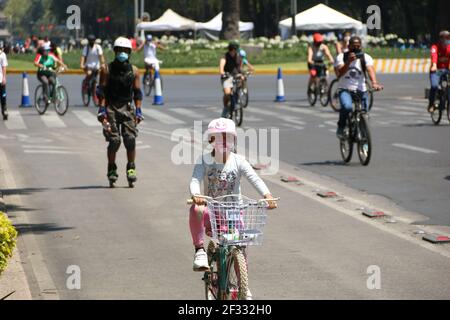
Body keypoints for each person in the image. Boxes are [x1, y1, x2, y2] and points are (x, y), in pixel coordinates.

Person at [189, 118, 277, 299]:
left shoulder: (239, 161)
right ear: (211, 140)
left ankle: (243, 285)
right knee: (196, 210)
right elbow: (195, 179)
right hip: (211, 211)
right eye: (217, 137)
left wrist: (267, 196)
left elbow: (255, 178)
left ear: (233, 140)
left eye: (227, 137)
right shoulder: (204, 160)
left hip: (233, 212)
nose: (223, 142)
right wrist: (196, 194)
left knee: (240, 247)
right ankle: (200, 251)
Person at [97, 37, 144, 187]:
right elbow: (101, 91)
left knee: (130, 139)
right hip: (111, 107)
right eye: (120, 50)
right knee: (114, 140)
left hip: (127, 107)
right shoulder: (106, 69)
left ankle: (131, 167)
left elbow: (137, 93)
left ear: (129, 53)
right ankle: (111, 168)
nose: (122, 53)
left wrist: (138, 111)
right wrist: (102, 110)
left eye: (125, 51)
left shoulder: (134, 71)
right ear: (115, 51)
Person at [334, 36, 383, 139]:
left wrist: (374, 83)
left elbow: (370, 70)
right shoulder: (341, 57)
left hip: (361, 90)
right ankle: (341, 126)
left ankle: (364, 140)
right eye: (353, 46)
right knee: (347, 107)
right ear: (348, 46)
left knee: (364, 114)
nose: (356, 49)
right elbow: (339, 74)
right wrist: (348, 62)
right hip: (345, 90)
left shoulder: (366, 57)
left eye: (358, 46)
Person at [428, 30, 450, 113]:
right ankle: (431, 104)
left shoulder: (449, 47)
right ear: (441, 39)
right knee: (434, 86)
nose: (448, 40)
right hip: (436, 71)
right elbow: (434, 56)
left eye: (448, 37)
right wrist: (434, 65)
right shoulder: (435, 47)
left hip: (447, 70)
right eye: (446, 38)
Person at [219, 41, 243, 118]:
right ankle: (226, 108)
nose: (236, 52)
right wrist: (223, 73)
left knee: (241, 82)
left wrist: (242, 74)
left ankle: (238, 98)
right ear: (232, 49)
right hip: (227, 77)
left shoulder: (238, 57)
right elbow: (221, 67)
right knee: (227, 93)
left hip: (236, 76)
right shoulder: (225, 57)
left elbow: (240, 68)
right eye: (235, 50)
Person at [0, 43, 8, 120]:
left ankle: (4, 110)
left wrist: (4, 78)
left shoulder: (2, 55)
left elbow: (4, 67)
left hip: (0, 79)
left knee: (3, 96)